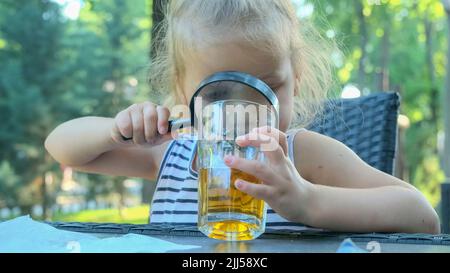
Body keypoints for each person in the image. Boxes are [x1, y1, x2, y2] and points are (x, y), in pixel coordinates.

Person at [45, 0, 440, 234]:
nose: (241, 113)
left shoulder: (301, 155)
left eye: (265, 88)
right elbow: (63, 148)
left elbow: (421, 216)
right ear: (185, 93)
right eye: (217, 93)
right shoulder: (171, 151)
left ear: (295, 82)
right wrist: (116, 131)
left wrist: (308, 200)